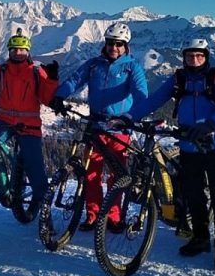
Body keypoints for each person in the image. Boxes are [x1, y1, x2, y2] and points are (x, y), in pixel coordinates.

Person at [123, 38, 215, 271]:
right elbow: (154, 100)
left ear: (206, 57)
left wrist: (211, 125)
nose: (194, 60)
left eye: (199, 56)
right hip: (188, 146)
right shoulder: (178, 79)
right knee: (194, 194)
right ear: (183, 57)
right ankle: (201, 237)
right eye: (189, 56)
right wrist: (129, 116)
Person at [49, 23, 148, 232]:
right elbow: (75, 80)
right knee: (91, 174)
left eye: (119, 44)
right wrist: (59, 95)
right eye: (111, 43)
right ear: (105, 44)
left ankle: (113, 217)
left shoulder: (132, 67)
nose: (114, 47)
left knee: (116, 176)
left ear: (126, 46)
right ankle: (93, 216)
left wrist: (133, 115)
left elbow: (140, 92)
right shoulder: (94, 65)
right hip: (95, 126)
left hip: (119, 128)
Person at [0, 28, 58, 212]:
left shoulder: (37, 72)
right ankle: (2, 189)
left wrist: (52, 80)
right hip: (3, 121)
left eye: (22, 50)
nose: (18, 53)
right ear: (9, 51)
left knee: (33, 164)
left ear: (28, 52)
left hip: (29, 126)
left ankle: (44, 206)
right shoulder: (2, 71)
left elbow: (47, 98)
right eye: (15, 50)